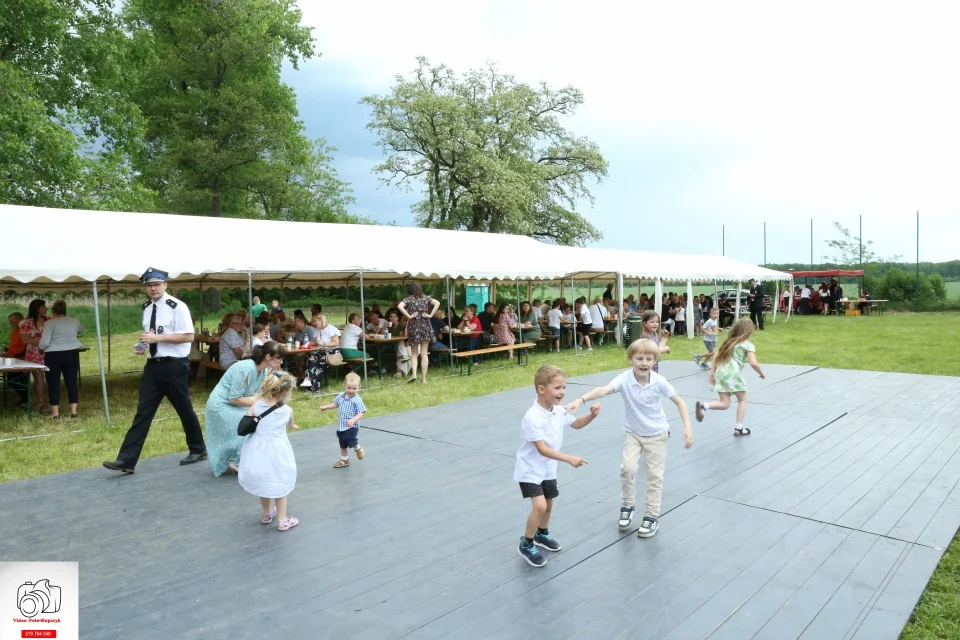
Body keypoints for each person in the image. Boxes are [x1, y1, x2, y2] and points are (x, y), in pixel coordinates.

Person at [566, 339, 694, 538]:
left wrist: (687, 427)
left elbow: (679, 402)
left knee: (654, 476)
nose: (644, 362)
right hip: (633, 432)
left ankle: (651, 516)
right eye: (639, 358)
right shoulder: (624, 379)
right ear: (630, 359)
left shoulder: (659, 381)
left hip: (656, 434)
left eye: (649, 359)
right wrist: (580, 399)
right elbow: (604, 389)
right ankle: (627, 505)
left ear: (655, 361)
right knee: (628, 468)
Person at [103, 268, 207, 474]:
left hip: (175, 365)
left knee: (184, 409)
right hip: (153, 366)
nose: (152, 288)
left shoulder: (177, 307)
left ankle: (198, 449)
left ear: (165, 285)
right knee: (143, 412)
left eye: (156, 284)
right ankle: (127, 460)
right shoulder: (147, 308)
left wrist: (157, 339)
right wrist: (142, 345)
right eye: (149, 285)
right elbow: (151, 334)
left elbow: (188, 336)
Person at [514, 365, 600, 567]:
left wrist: (592, 415)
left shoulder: (558, 411)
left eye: (564, 387)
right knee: (540, 506)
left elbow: (576, 424)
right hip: (530, 470)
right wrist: (569, 458)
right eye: (558, 388)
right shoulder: (532, 418)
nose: (563, 392)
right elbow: (541, 449)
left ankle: (541, 533)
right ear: (541, 389)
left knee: (549, 504)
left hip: (547, 469)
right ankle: (526, 543)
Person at [205, 341, 283, 477]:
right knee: (251, 421)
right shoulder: (246, 368)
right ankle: (237, 461)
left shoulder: (262, 370)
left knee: (259, 418)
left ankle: (244, 458)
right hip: (220, 405)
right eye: (279, 358)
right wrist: (259, 403)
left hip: (233, 403)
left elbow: (255, 395)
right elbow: (234, 398)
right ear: (268, 357)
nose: (281, 362)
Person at [238, 370, 300, 531]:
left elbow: (247, 422)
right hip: (278, 450)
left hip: (258, 450)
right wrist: (292, 426)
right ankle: (282, 520)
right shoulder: (287, 410)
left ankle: (266, 513)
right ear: (286, 392)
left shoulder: (256, 406)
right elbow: (290, 424)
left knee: (263, 479)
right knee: (280, 482)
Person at [696, 318, 766, 436]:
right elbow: (753, 363)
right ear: (749, 332)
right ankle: (739, 428)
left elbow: (716, 356)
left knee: (725, 403)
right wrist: (761, 372)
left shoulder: (727, 343)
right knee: (742, 400)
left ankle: (704, 406)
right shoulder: (748, 345)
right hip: (733, 373)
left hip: (721, 372)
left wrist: (712, 372)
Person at [38, 300, 84, 419]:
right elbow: (81, 330)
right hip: (72, 353)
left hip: (53, 355)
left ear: (53, 312)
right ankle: (73, 412)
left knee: (53, 383)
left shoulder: (49, 324)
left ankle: (55, 414)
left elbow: (44, 342)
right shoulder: (74, 321)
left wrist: (40, 347)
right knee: (72, 382)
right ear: (65, 310)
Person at [320, 372, 366, 468]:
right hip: (342, 426)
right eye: (349, 388)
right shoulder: (341, 396)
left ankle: (358, 448)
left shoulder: (357, 400)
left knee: (350, 439)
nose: (351, 391)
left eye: (354, 388)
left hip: (352, 426)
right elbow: (335, 404)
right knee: (343, 444)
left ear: (359, 387)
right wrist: (326, 407)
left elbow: (361, 412)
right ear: (344, 385)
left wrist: (353, 420)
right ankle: (344, 460)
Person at [398, 281, 440, 384]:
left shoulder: (409, 299)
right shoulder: (426, 298)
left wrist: (408, 316)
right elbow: (437, 303)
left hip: (414, 326)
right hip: (425, 325)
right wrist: (430, 315)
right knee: (424, 353)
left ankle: (414, 374)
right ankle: (424, 379)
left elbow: (399, 306)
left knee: (414, 353)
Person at [18, 299, 50, 415]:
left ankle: (50, 402)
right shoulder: (26, 323)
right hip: (34, 353)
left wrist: (40, 341)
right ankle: (41, 402)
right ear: (37, 308)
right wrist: (44, 341)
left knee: (51, 377)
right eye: (44, 306)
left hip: (51, 352)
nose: (46, 308)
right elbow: (25, 339)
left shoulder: (50, 320)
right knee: (38, 377)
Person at [3, 312, 29, 407]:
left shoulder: (25, 332)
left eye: (12, 321)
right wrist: (6, 351)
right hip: (13, 360)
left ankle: (26, 399)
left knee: (13, 379)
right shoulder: (14, 333)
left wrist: (11, 355)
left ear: (19, 321)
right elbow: (14, 347)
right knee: (9, 378)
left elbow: (25, 349)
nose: (10, 324)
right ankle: (24, 399)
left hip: (22, 361)